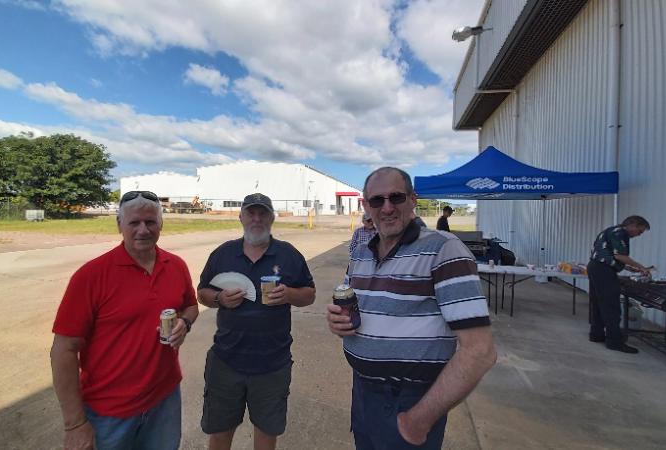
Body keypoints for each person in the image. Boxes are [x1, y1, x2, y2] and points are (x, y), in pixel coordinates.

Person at [327, 167, 496, 450]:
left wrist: (420, 419)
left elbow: (480, 351)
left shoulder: (444, 249)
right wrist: (337, 320)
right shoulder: (361, 251)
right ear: (366, 206)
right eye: (377, 200)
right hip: (363, 394)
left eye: (396, 197)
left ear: (413, 199)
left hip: (409, 401)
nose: (388, 207)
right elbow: (350, 299)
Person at [50, 190, 198, 450]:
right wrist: (74, 424)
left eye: (151, 222)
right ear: (119, 225)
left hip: (164, 400)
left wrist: (184, 324)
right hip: (109, 412)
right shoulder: (91, 276)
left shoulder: (175, 265)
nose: (143, 229)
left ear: (161, 225)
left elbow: (191, 306)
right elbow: (63, 350)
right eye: (134, 222)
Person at [197, 193, 316, 450]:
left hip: (273, 363)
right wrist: (219, 298)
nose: (257, 218)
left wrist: (291, 294)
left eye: (263, 213)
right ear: (241, 217)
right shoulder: (223, 254)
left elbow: (309, 294)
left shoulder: (288, 255)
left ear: (272, 218)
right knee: (220, 431)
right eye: (251, 213)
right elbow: (202, 293)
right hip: (226, 361)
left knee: (266, 433)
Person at [588, 215, 652, 354]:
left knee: (599, 303)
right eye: (639, 231)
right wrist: (642, 268)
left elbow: (610, 255)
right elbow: (620, 256)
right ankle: (614, 342)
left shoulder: (611, 230)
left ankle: (596, 334)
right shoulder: (621, 233)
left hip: (595, 266)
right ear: (633, 224)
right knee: (612, 306)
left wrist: (629, 268)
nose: (638, 235)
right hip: (603, 271)